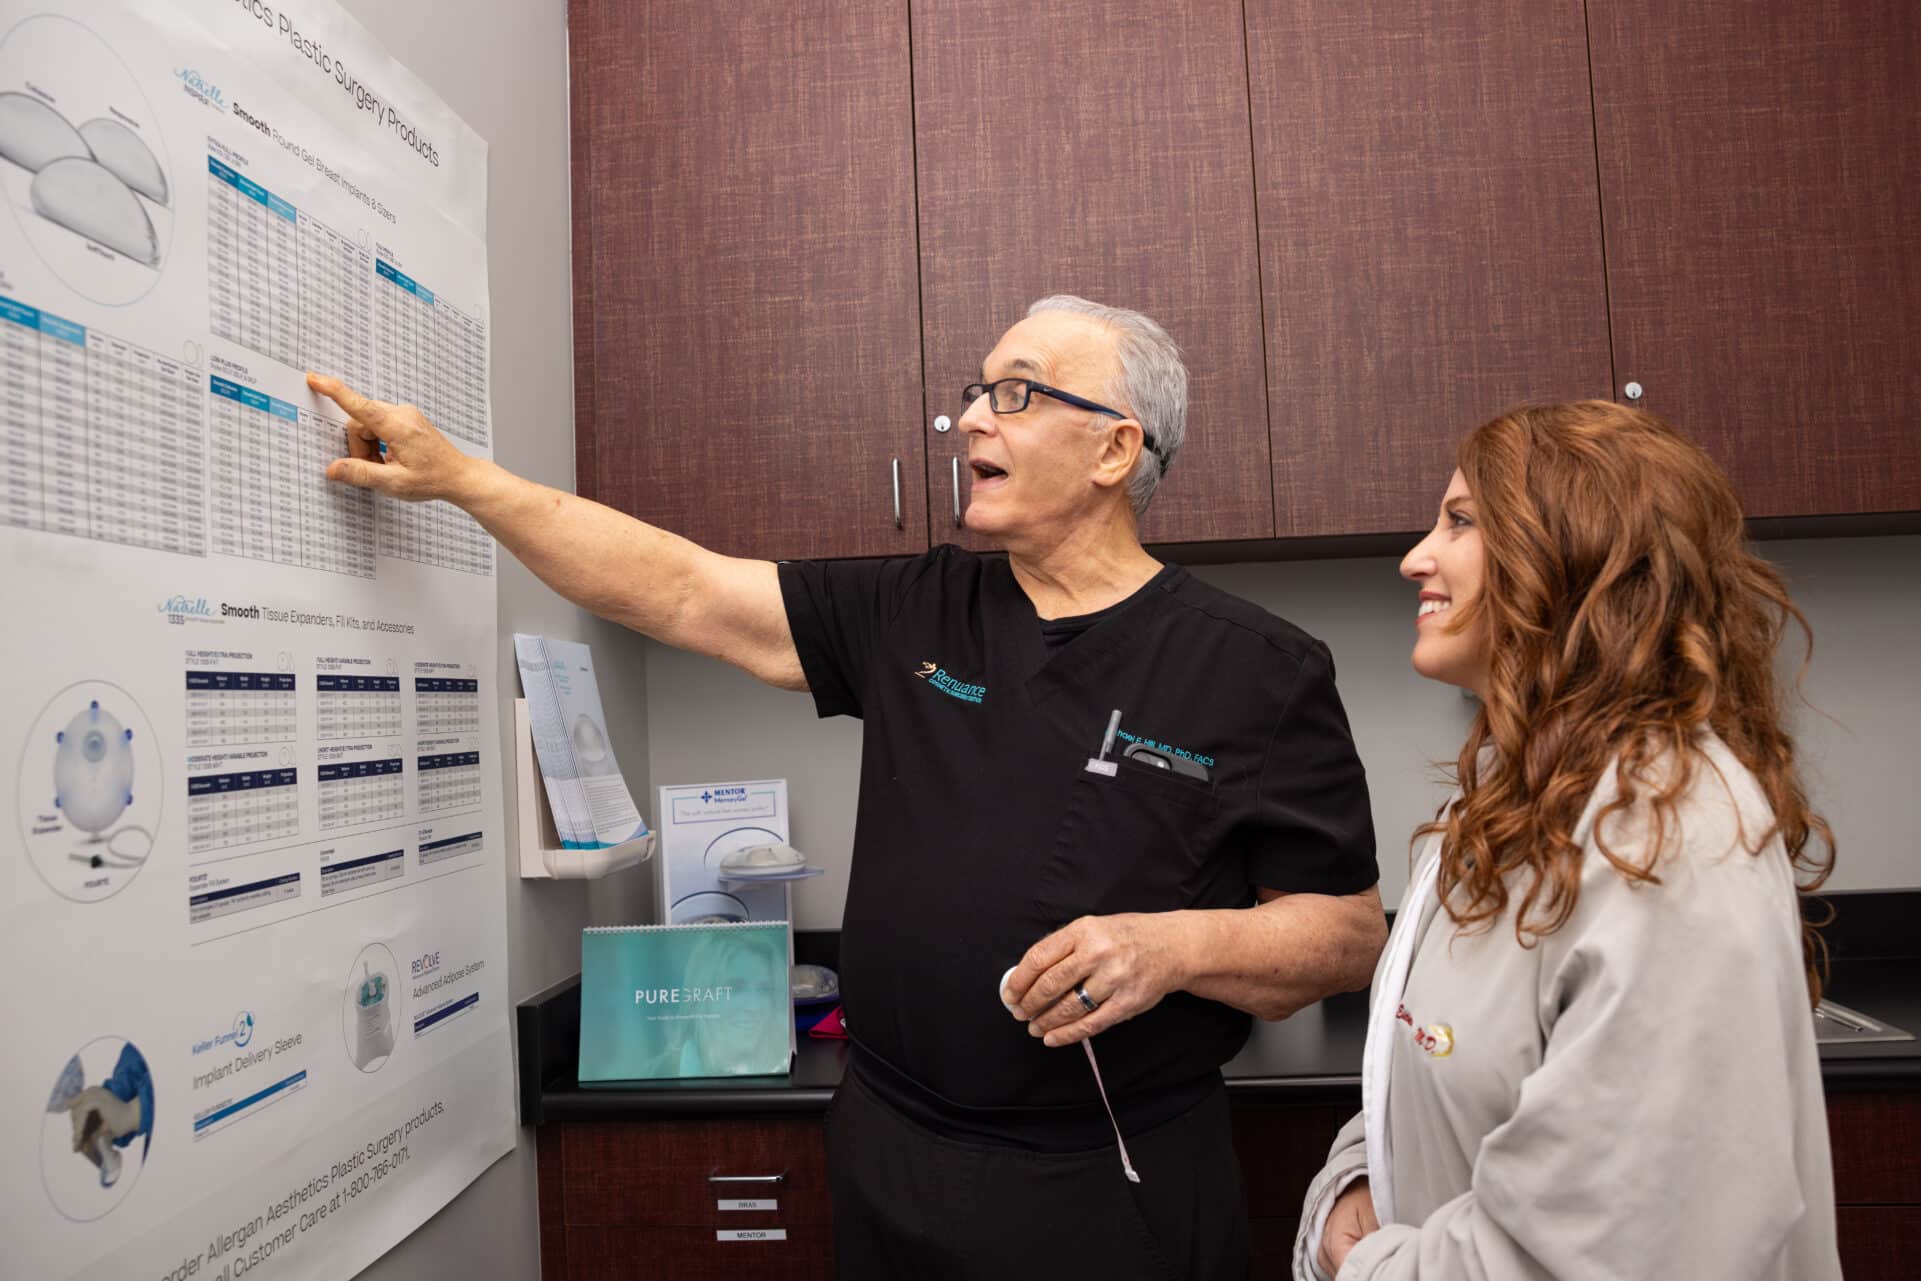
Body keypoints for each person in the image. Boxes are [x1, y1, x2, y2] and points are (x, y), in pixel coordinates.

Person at [311, 293, 1388, 1279]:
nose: (969, 420)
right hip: (889, 1152)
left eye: (1012, 393)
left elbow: (1343, 936)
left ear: (1114, 448)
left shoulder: (1257, 668)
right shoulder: (917, 609)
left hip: (1107, 1175)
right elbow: (682, 592)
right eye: (972, 394)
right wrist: (464, 480)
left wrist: (1176, 947)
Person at [1295, 401, 1840, 1281]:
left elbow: (1615, 1244)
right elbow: (1449, 1068)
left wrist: (1368, 1268)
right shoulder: (1513, 804)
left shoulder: (1660, 830)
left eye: (1461, 521)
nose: (1414, 557)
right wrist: (1362, 1176)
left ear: (1576, 551)